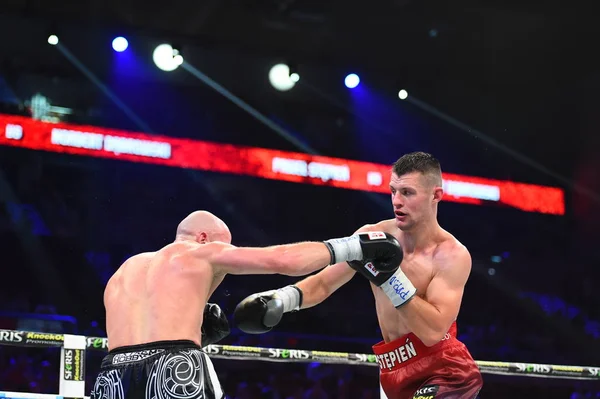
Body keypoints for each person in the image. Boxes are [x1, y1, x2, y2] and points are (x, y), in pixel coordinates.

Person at [234, 152, 484, 399]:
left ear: (436, 195)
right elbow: (324, 283)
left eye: (407, 193)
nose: (397, 201)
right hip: (392, 368)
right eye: (393, 191)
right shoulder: (371, 236)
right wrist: (283, 300)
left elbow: (432, 332)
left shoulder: (451, 255)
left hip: (444, 371)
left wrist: (389, 277)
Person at [90, 210, 403, 399]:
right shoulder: (201, 252)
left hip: (111, 374)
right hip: (173, 365)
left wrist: (196, 330)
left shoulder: (124, 271)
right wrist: (356, 246)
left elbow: (143, 335)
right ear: (203, 237)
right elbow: (284, 260)